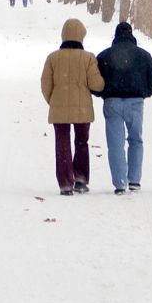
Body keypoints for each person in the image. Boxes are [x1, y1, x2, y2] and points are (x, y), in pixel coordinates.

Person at [41, 19, 104, 195]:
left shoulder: (52, 58)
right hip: (82, 110)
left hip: (59, 108)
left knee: (62, 144)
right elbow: (96, 84)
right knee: (82, 142)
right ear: (81, 36)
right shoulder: (88, 58)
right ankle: (81, 178)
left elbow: (45, 84)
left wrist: (53, 101)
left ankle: (65, 183)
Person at [95, 22, 152, 195]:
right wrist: (143, 93)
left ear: (115, 36)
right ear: (132, 35)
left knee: (115, 143)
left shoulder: (104, 56)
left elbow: (95, 81)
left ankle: (120, 183)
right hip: (135, 102)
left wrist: (102, 93)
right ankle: (134, 180)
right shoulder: (144, 56)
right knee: (136, 140)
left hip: (112, 101)